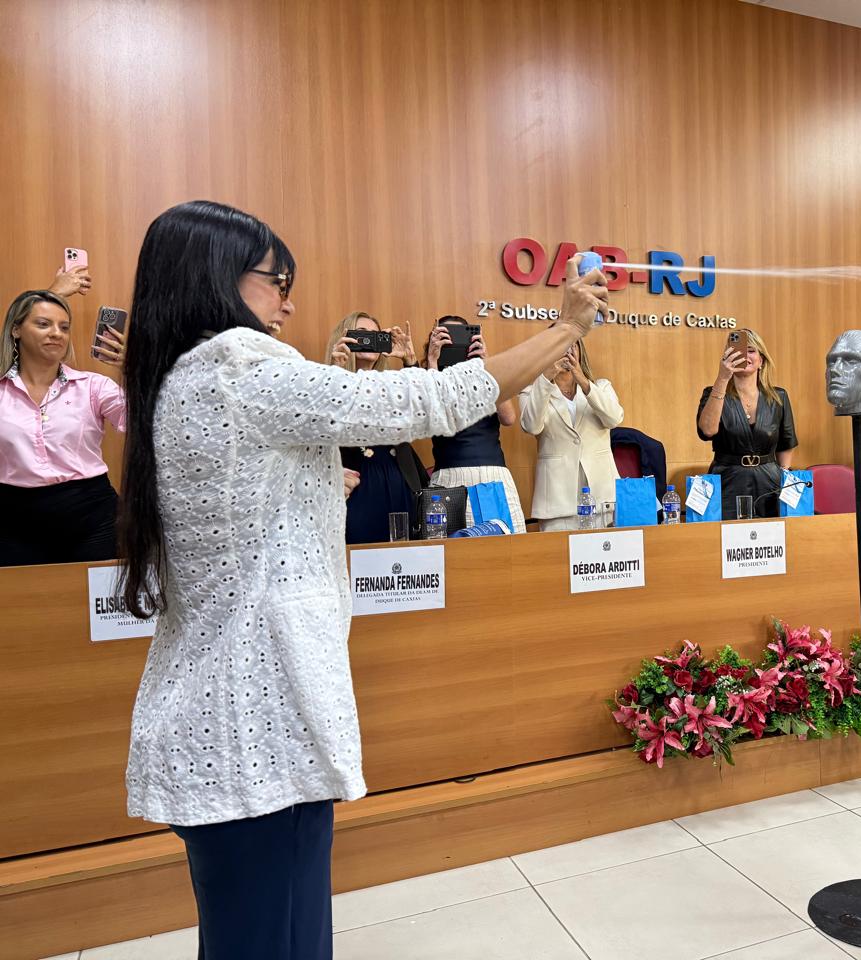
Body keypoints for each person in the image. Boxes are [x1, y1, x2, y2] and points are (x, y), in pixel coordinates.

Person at [116, 199, 606, 960]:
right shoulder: (239, 368)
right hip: (258, 723)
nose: (289, 300)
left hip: (246, 718)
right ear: (215, 276)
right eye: (276, 279)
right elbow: (422, 400)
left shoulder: (183, 378)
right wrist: (566, 328)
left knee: (278, 935)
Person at [0, 288, 127, 566]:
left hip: (92, 515)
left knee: (95, 603)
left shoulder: (94, 386)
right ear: (16, 330)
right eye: (44, 324)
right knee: (23, 605)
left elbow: (143, 425)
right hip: (13, 520)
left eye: (64, 327)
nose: (56, 333)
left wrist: (131, 369)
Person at [325, 311, 428, 544]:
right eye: (361, 334)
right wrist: (334, 374)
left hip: (398, 482)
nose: (369, 339)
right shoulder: (330, 380)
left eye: (375, 335)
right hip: (356, 487)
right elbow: (324, 428)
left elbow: (423, 411)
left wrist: (409, 360)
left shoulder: (390, 385)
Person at [424, 316, 525, 532]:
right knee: (451, 555)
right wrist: (432, 362)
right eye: (445, 337)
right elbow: (432, 419)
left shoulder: (484, 374)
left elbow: (509, 418)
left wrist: (486, 366)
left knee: (508, 553)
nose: (454, 345)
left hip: (493, 476)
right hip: (451, 477)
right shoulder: (430, 378)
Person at [519, 337, 623, 531]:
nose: (566, 350)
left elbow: (614, 418)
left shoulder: (601, 387)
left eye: (572, 343)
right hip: (557, 501)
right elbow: (531, 426)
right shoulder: (532, 391)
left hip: (601, 497)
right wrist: (546, 377)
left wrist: (582, 379)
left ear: (580, 350)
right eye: (558, 344)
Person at [696, 329, 797, 518]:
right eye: (737, 351)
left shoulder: (778, 396)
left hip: (770, 482)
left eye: (751, 350)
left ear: (761, 361)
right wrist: (723, 378)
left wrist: (784, 479)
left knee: (772, 538)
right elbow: (707, 430)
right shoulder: (713, 392)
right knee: (727, 540)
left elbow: (786, 442)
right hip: (727, 480)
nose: (744, 355)